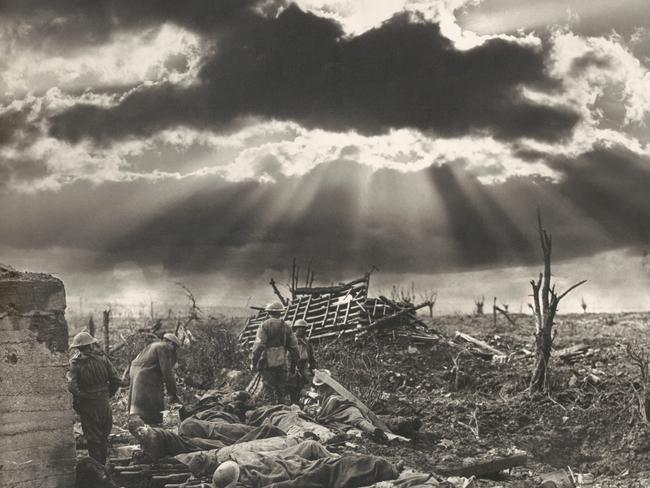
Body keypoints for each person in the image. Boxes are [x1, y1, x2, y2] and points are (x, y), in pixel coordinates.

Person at [67, 331, 121, 465]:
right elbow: (116, 380)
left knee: (93, 439)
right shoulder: (103, 359)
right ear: (91, 346)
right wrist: (108, 394)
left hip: (88, 405)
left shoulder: (75, 363)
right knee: (104, 436)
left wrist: (81, 399)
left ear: (78, 348)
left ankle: (98, 470)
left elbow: (72, 387)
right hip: (104, 402)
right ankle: (103, 467)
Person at [123, 332, 181, 425]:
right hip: (144, 375)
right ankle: (150, 423)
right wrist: (173, 394)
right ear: (170, 343)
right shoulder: (163, 347)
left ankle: (139, 421)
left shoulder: (153, 345)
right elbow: (167, 372)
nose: (173, 350)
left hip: (135, 372)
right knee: (151, 402)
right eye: (174, 347)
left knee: (138, 401)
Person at [251, 302, 299, 405]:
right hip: (282, 363)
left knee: (269, 389)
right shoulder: (287, 327)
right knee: (281, 390)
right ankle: (282, 411)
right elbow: (295, 349)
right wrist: (293, 367)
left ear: (268, 312)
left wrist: (254, 363)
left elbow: (259, 346)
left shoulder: (264, 326)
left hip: (266, 364)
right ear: (281, 313)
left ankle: (272, 411)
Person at [287, 319, 317, 404]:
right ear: (295, 329)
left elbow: (311, 359)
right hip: (292, 369)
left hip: (304, 368)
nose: (302, 330)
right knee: (293, 389)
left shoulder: (307, 344)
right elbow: (287, 358)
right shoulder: (290, 342)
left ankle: (304, 404)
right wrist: (292, 369)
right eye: (300, 328)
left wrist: (314, 368)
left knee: (306, 388)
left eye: (304, 329)